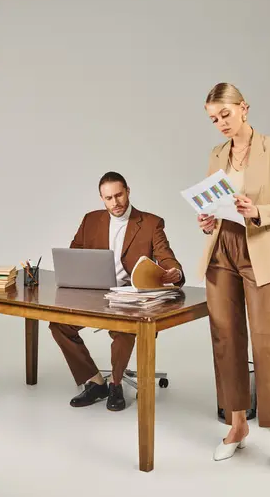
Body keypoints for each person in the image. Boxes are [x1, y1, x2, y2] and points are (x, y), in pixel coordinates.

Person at [197, 83, 270, 482]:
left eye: (225, 114)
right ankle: (237, 424)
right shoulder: (216, 154)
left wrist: (256, 210)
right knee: (225, 338)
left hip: (260, 252)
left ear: (244, 108)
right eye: (213, 119)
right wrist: (206, 220)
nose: (220, 123)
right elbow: (211, 205)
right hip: (222, 249)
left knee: (266, 343)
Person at [50, 171, 184, 411]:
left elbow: (166, 258)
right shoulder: (91, 220)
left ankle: (116, 384)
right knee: (59, 324)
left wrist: (174, 272)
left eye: (119, 195)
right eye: (108, 198)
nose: (115, 203)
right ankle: (95, 381)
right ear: (102, 198)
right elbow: (75, 253)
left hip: (129, 295)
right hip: (96, 291)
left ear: (128, 192)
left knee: (124, 328)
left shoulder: (151, 223)